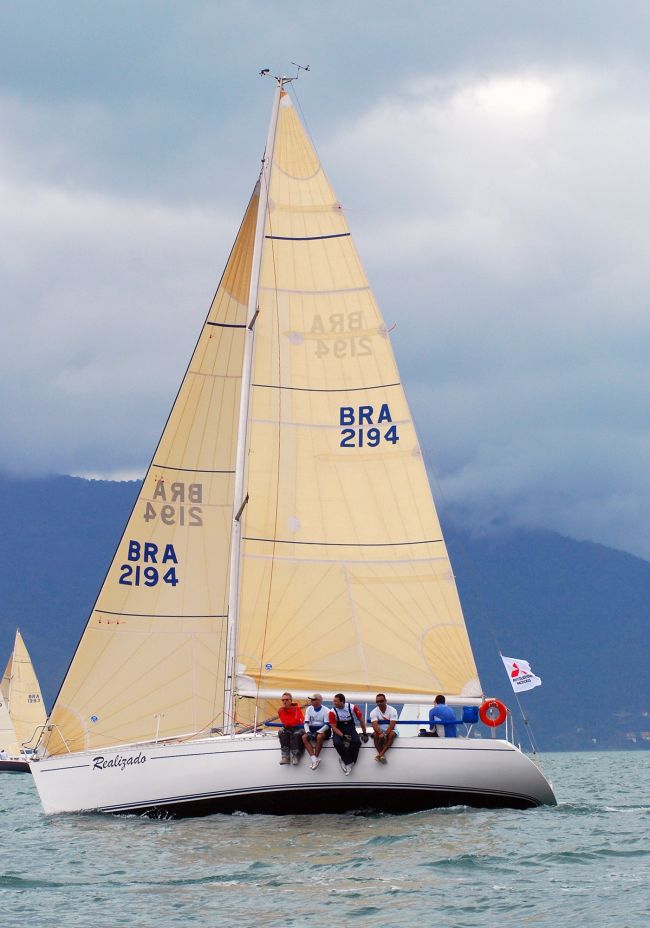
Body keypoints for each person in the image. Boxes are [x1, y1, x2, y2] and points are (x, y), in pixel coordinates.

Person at [329, 693, 368, 775]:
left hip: (350, 728)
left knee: (357, 742)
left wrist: (364, 733)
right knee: (337, 743)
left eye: (336, 701)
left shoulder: (352, 707)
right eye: (334, 701)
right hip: (339, 730)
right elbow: (334, 727)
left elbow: (361, 719)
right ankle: (348, 762)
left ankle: (349, 762)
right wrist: (343, 736)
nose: (334, 703)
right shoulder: (332, 712)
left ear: (342, 701)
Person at [302, 693, 331, 769]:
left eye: (313, 699)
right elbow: (306, 723)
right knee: (304, 737)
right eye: (311, 699)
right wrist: (308, 732)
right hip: (312, 730)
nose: (311, 701)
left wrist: (317, 732)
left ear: (319, 701)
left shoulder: (326, 710)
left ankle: (316, 757)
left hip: (324, 730)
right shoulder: (309, 709)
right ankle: (314, 759)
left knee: (319, 737)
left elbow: (327, 725)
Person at [369, 693, 399, 763]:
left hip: (392, 730)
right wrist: (380, 733)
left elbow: (392, 725)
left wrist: (385, 734)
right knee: (376, 735)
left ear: (385, 701)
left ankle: (380, 754)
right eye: (377, 702)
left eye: (381, 701)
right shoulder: (373, 712)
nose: (379, 703)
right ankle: (381, 755)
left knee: (391, 735)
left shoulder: (392, 710)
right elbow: (375, 725)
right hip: (380, 731)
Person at [278, 692, 305, 764]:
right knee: (282, 733)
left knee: (296, 734)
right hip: (288, 728)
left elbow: (296, 720)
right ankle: (285, 756)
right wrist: (288, 724)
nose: (284, 702)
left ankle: (296, 755)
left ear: (291, 700)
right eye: (283, 700)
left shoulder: (296, 708)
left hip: (298, 728)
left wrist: (288, 724)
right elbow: (284, 721)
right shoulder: (280, 710)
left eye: (286, 700)